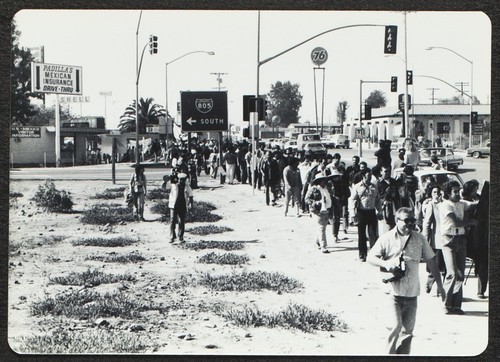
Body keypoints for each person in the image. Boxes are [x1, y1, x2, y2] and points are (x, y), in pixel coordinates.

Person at [367, 207, 446, 355]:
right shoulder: (387, 238)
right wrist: (387, 264)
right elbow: (370, 257)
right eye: (406, 221)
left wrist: (440, 285)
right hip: (392, 292)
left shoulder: (420, 238)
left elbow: (431, 261)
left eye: (413, 220)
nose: (410, 224)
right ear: (397, 221)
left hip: (411, 293)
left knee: (408, 333)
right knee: (395, 327)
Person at [439, 181, 476, 315]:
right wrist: (471, 222)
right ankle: (446, 303)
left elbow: (473, 205)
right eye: (454, 191)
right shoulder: (445, 205)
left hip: (461, 240)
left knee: (460, 274)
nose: (457, 194)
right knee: (452, 273)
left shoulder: (461, 204)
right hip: (449, 240)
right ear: (448, 193)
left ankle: (456, 305)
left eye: (458, 191)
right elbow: (456, 222)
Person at [352, 168, 383, 261]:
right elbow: (352, 200)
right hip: (361, 212)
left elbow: (378, 200)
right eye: (367, 176)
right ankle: (362, 254)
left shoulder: (374, 187)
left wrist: (380, 211)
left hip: (371, 212)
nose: (369, 178)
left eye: (370, 176)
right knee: (361, 235)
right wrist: (353, 214)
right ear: (363, 176)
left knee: (373, 234)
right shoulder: (357, 187)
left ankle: (374, 254)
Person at [421, 183, 446, 294]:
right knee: (438, 264)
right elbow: (427, 223)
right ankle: (430, 280)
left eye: (438, 192)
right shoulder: (430, 205)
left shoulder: (445, 203)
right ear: (431, 194)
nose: (437, 194)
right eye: (434, 192)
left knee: (445, 266)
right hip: (437, 239)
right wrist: (425, 240)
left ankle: (442, 289)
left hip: (448, 239)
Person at [306, 173, 332, 253]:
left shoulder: (327, 188)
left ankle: (317, 242)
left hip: (326, 210)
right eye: (323, 180)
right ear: (319, 181)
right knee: (321, 228)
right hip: (317, 211)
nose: (325, 182)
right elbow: (307, 199)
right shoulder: (314, 189)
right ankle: (323, 246)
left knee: (322, 228)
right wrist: (315, 202)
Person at [168, 172, 194, 243]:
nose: (181, 181)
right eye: (180, 179)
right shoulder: (173, 185)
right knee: (172, 220)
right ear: (178, 179)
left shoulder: (187, 186)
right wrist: (167, 180)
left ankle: (180, 236)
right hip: (174, 205)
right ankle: (172, 236)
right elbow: (165, 186)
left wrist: (191, 203)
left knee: (181, 221)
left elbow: (191, 195)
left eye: (183, 180)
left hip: (182, 205)